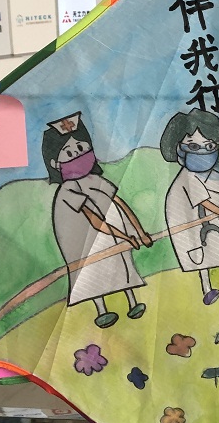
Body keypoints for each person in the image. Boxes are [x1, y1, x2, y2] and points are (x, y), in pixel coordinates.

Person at [43, 112, 152, 329]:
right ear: (55, 163)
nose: (78, 155)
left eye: (81, 148)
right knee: (92, 272)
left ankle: (132, 301)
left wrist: (140, 233)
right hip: (91, 240)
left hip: (116, 235)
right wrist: (126, 237)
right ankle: (102, 310)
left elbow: (120, 204)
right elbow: (96, 222)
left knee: (121, 264)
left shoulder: (97, 180)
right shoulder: (68, 191)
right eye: (69, 153)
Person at [160, 110, 219, 306]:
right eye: (193, 146)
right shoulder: (187, 178)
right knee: (203, 256)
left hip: (217, 222)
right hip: (196, 225)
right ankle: (207, 289)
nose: (202, 151)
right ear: (179, 148)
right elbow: (202, 201)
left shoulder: (210, 172)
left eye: (209, 146)